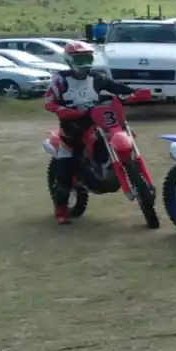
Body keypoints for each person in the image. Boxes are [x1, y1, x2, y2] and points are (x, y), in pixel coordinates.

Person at [44, 41, 144, 225]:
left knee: (116, 133)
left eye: (87, 58)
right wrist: (61, 109)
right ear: (69, 60)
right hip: (72, 126)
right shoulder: (60, 80)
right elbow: (49, 101)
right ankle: (61, 209)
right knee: (67, 164)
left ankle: (110, 168)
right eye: (79, 59)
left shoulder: (96, 77)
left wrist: (135, 92)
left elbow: (115, 86)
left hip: (96, 120)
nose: (84, 63)